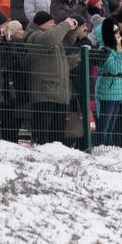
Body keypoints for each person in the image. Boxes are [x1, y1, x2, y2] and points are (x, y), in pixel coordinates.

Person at [26, 12, 80, 145]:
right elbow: (51, 37)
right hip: (44, 92)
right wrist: (65, 24)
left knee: (58, 133)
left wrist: (72, 30)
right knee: (43, 132)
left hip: (59, 92)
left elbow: (66, 41)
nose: (54, 24)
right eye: (51, 22)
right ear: (41, 24)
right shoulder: (35, 36)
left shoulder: (55, 41)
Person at [93, 14, 122, 147]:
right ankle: (100, 147)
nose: (118, 34)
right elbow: (114, 68)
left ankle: (108, 148)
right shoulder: (104, 50)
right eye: (115, 32)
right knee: (104, 125)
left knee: (111, 126)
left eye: (118, 31)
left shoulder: (116, 49)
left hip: (117, 90)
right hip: (107, 90)